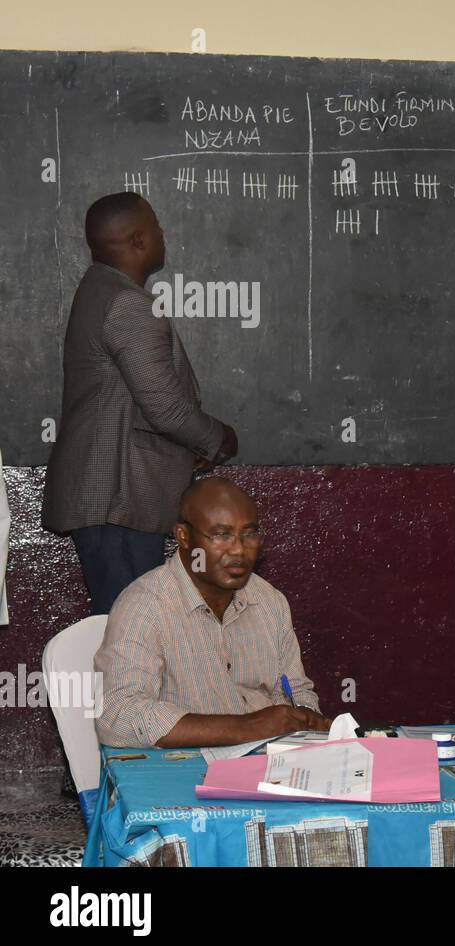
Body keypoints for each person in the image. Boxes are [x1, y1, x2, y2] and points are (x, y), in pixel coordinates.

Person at [42, 193, 238, 615]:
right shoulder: (128, 304)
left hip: (113, 496)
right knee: (133, 636)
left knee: (126, 633)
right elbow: (164, 407)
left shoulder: (98, 291)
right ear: (137, 240)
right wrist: (218, 439)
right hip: (120, 498)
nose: (162, 232)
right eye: (155, 226)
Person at [94, 476, 330, 748]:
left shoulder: (269, 601)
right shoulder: (145, 605)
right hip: (181, 773)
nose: (239, 550)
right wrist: (249, 728)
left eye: (249, 534)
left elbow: (296, 692)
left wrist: (304, 718)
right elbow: (117, 717)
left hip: (267, 766)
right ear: (183, 536)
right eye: (221, 535)